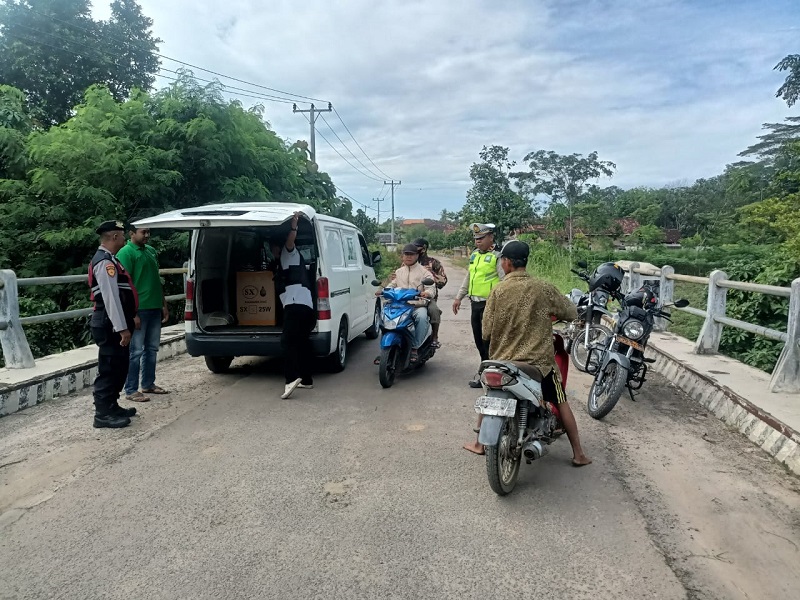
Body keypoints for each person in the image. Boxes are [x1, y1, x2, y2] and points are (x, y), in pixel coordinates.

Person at [463, 240, 591, 467]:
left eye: (502, 260)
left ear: (507, 262)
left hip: (502, 361)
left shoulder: (498, 290)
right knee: (560, 400)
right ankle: (578, 454)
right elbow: (570, 311)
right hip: (538, 364)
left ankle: (479, 444)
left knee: (490, 392)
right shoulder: (543, 288)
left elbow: (486, 331)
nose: (501, 264)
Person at [88, 221, 140, 429]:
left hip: (114, 322)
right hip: (109, 323)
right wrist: (122, 328)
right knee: (109, 368)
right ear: (113, 237)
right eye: (121, 235)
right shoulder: (105, 263)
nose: (125, 239)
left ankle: (112, 405)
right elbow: (111, 299)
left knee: (119, 366)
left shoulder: (111, 260)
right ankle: (102, 414)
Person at [116, 224, 169, 402]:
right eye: (143, 232)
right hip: (139, 309)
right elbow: (124, 286)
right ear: (132, 233)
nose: (147, 235)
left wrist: (163, 304)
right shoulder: (126, 253)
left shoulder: (151, 251)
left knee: (152, 348)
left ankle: (148, 383)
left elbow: (156, 280)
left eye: (148, 231)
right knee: (136, 351)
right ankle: (130, 389)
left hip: (154, 307)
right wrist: (132, 313)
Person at [452, 223, 504, 387]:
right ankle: (485, 373)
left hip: (490, 305)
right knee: (479, 342)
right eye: (476, 239)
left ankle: (494, 376)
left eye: (481, 238)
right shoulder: (474, 255)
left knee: (489, 342)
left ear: (491, 237)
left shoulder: (498, 256)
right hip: (475, 304)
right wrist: (459, 297)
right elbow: (469, 277)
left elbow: (504, 281)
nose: (478, 241)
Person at [274, 212, 316, 399]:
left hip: (295, 304)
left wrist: (293, 226)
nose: (273, 252)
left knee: (287, 342)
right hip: (306, 306)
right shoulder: (290, 261)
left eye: (272, 248)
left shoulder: (287, 252)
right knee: (301, 342)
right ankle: (306, 380)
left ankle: (291, 379)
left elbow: (290, 242)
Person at [378, 244, 437, 361]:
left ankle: (415, 347)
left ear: (417, 256)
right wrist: (383, 290)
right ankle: (384, 350)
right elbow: (393, 284)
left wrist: (427, 293)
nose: (409, 257)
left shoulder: (424, 272)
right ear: (402, 256)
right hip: (399, 305)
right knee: (385, 316)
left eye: (412, 254)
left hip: (416, 305)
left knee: (421, 317)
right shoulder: (399, 271)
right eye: (406, 254)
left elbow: (431, 287)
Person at [413, 238, 447, 348]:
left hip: (427, 296)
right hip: (410, 294)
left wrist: (431, 275)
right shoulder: (409, 261)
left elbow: (443, 281)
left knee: (434, 310)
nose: (415, 249)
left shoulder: (433, 263)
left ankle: (434, 337)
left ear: (424, 248)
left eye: (417, 247)